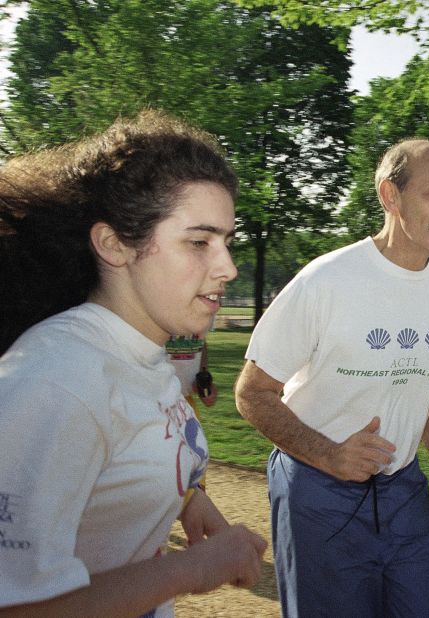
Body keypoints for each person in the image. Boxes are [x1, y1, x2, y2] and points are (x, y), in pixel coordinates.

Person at [0, 111, 267, 617]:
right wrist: (191, 569)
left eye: (228, 241)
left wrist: (185, 500)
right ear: (115, 245)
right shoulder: (58, 381)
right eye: (199, 242)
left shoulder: (137, 354)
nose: (228, 267)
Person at [235, 138, 429, 617]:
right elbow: (252, 393)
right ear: (390, 195)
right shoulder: (327, 281)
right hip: (318, 487)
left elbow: (418, 377)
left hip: (404, 488)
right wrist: (330, 455)